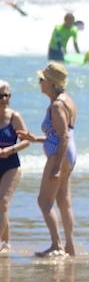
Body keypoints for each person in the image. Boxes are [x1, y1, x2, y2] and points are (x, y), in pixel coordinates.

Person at [22, 63, 78, 257]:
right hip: (69, 153)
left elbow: (62, 137)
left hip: (59, 155)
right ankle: (70, 246)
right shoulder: (66, 100)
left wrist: (55, 165)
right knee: (63, 201)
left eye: (42, 80)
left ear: (52, 83)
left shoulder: (56, 105)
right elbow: (59, 134)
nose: (40, 83)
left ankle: (57, 245)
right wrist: (34, 138)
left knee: (44, 201)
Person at [0, 80, 31, 256]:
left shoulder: (14, 117)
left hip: (11, 164)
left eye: (7, 95)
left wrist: (9, 150)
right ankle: (6, 244)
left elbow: (27, 140)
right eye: (0, 96)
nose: (4, 99)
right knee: (0, 207)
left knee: (3, 202)